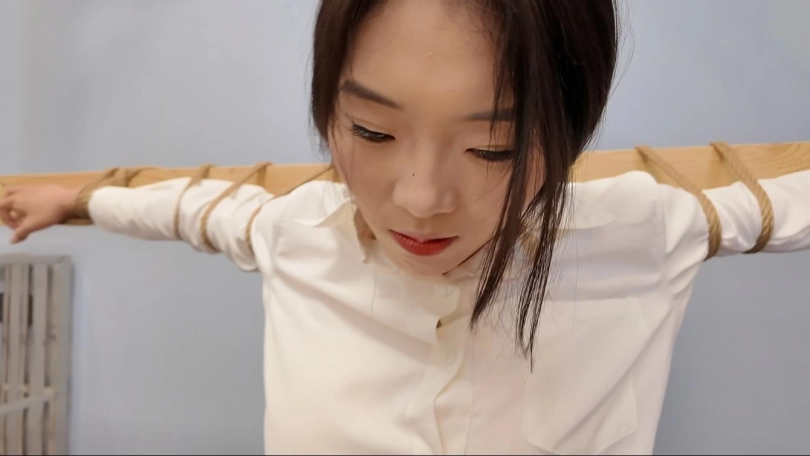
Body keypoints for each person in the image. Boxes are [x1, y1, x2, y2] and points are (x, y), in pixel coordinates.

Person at [1, 0, 809, 454]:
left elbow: (781, 206)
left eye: (492, 146)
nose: (421, 200)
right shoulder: (295, 228)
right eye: (373, 131)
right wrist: (74, 200)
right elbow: (189, 207)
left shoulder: (644, 229)